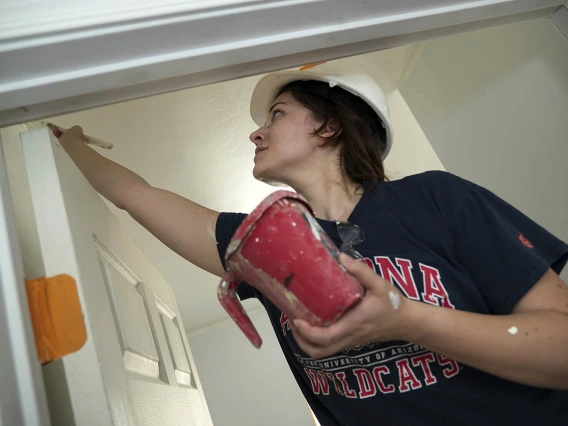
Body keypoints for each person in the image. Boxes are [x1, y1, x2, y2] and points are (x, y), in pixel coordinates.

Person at [52, 62, 568, 425]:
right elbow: (134, 195)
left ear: (328, 126)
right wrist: (68, 141)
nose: (257, 133)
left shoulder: (436, 197)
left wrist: (407, 319)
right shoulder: (257, 243)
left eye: (276, 114)